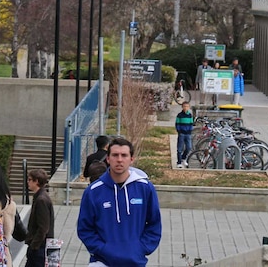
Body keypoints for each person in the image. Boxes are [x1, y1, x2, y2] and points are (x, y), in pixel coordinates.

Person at [77, 137, 162, 266]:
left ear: (131, 159)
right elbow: (85, 228)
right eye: (115, 155)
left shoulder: (145, 188)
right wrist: (103, 249)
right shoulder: (93, 191)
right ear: (108, 159)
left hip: (135, 261)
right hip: (102, 262)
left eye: (124, 155)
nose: (119, 160)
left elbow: (154, 224)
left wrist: (141, 248)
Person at [24, 169, 55, 267]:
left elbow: (43, 227)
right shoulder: (40, 197)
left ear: (36, 181)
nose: (27, 182)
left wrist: (34, 245)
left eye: (29, 180)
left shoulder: (41, 200)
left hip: (40, 247)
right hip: (39, 246)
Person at [175, 101, 193, 168]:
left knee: (189, 147)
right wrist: (179, 131)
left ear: (189, 107)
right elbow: (177, 124)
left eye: (187, 106)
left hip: (188, 134)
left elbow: (191, 124)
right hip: (182, 133)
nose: (186, 108)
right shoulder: (179, 115)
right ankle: (179, 162)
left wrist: (190, 130)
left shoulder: (190, 115)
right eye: (184, 106)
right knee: (180, 148)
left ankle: (183, 158)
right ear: (182, 107)